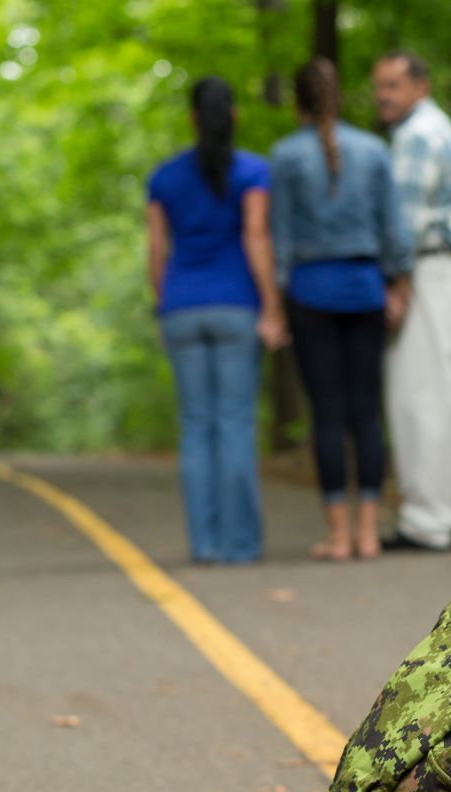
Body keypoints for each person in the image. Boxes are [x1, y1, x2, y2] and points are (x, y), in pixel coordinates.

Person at [269, 58, 414, 561]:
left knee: (327, 415)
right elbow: (395, 229)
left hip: (311, 292)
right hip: (364, 289)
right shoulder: (374, 150)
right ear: (340, 97)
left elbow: (280, 238)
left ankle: (337, 536)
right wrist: (398, 286)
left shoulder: (285, 157)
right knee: (365, 414)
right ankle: (369, 534)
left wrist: (277, 304)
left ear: (299, 103)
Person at [146, 76, 288, 565]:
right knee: (233, 425)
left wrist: (164, 302)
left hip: (181, 308)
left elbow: (155, 253)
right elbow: (255, 237)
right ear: (234, 116)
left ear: (191, 117)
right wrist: (271, 306)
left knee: (195, 428)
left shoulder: (164, 178)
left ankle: (204, 545)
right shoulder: (252, 171)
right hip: (235, 307)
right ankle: (241, 545)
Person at [372, 50, 451, 552]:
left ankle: (427, 521)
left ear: (420, 87)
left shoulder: (416, 135)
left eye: (393, 86)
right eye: (378, 86)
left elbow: (405, 222)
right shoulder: (440, 126)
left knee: (420, 397)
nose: (383, 96)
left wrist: (397, 284)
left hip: (429, 270)